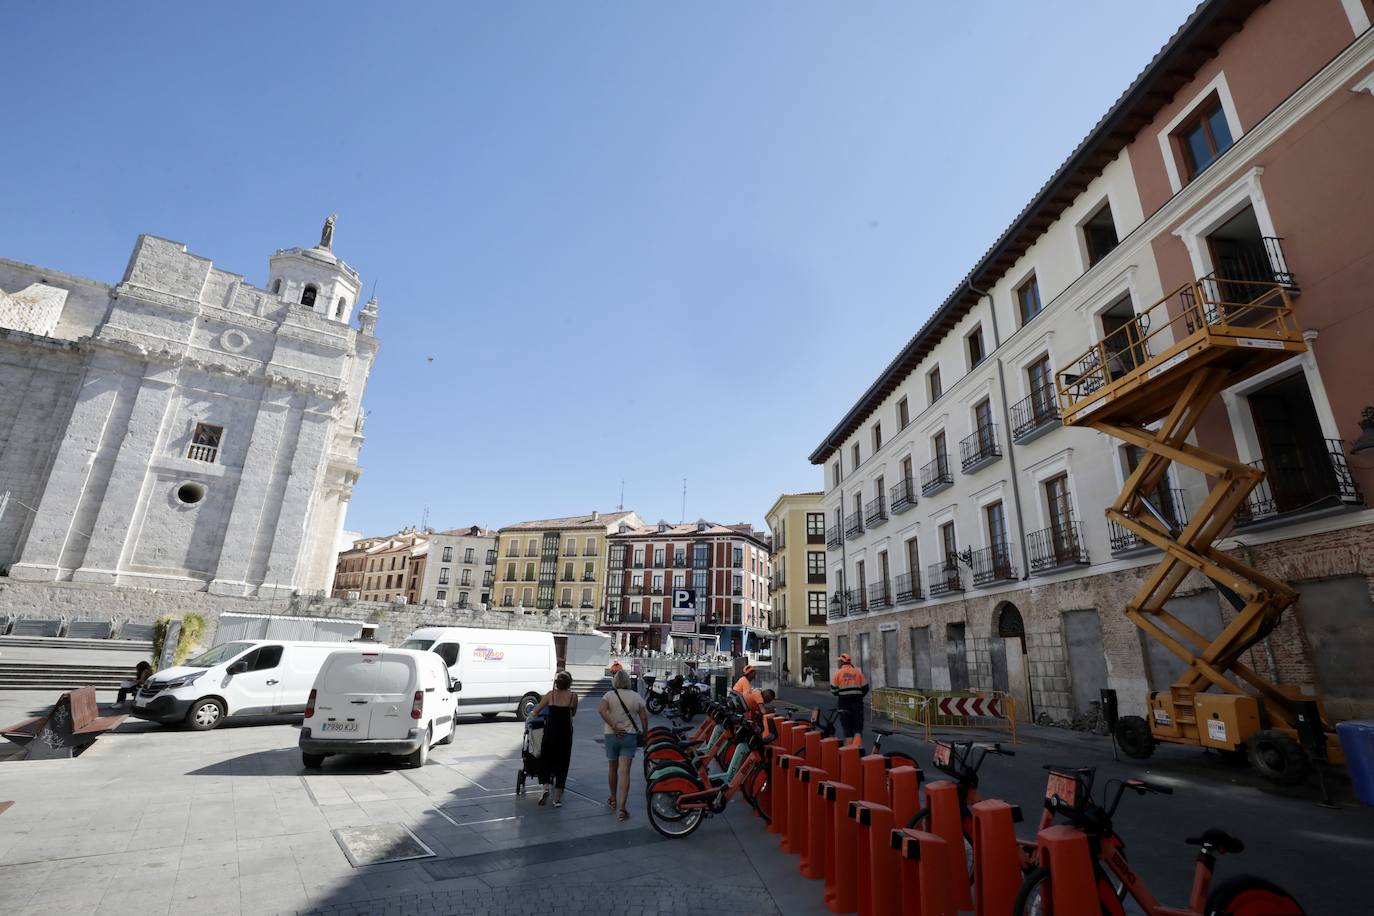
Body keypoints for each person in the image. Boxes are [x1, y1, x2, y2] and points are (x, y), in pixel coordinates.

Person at [599, 669, 649, 821]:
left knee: (612, 769)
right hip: (629, 737)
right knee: (625, 772)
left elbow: (601, 711)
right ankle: (622, 809)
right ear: (628, 681)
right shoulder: (636, 696)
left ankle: (613, 799)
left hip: (611, 735)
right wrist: (645, 735)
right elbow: (644, 719)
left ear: (615, 681)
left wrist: (613, 725)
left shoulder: (608, 695)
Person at [531, 671, 578, 807]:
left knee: (545, 759)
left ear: (557, 683)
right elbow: (573, 713)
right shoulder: (573, 696)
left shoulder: (550, 695)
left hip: (550, 732)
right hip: (565, 734)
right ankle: (557, 799)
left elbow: (536, 711)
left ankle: (545, 788)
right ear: (570, 683)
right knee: (563, 764)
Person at [830, 653, 869, 741]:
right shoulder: (857, 672)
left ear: (842, 662)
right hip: (857, 703)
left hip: (844, 704)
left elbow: (833, 690)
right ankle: (858, 748)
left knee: (847, 729)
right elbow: (866, 688)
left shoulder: (838, 673)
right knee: (858, 729)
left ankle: (849, 751)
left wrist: (842, 693)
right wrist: (858, 695)